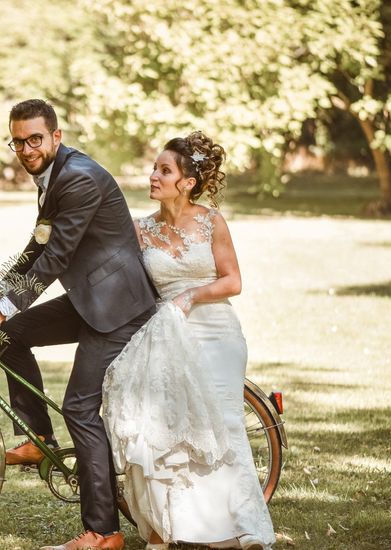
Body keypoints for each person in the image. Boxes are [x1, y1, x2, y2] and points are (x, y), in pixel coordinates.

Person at [0, 99, 157, 550]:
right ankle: (37, 436)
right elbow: (36, 244)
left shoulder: (78, 177)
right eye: (17, 141)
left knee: (79, 408)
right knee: (9, 334)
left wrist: (6, 304)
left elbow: (56, 257)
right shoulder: (52, 175)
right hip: (89, 298)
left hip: (117, 307)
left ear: (55, 137)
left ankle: (104, 533)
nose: (25, 148)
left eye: (34, 139)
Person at [103, 131, 275, 549]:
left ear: (188, 182)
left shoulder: (211, 221)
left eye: (164, 170)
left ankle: (236, 526)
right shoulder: (140, 230)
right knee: (165, 428)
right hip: (168, 335)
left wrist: (191, 295)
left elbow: (233, 281)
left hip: (216, 331)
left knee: (223, 425)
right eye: (154, 168)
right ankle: (174, 527)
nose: (153, 176)